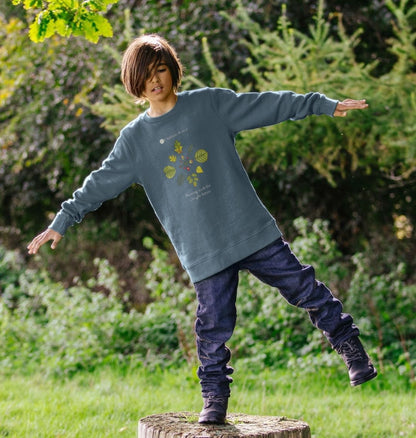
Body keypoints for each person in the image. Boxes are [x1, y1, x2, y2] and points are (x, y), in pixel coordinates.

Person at [28, 34, 377, 424]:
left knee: (304, 288)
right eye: (145, 74)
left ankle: (351, 350)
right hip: (204, 249)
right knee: (212, 327)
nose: (154, 80)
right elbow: (98, 184)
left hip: (251, 231)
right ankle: (214, 400)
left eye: (160, 70)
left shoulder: (209, 104)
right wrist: (63, 219)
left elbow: (267, 104)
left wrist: (321, 105)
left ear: (172, 71)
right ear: (134, 81)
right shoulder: (134, 141)